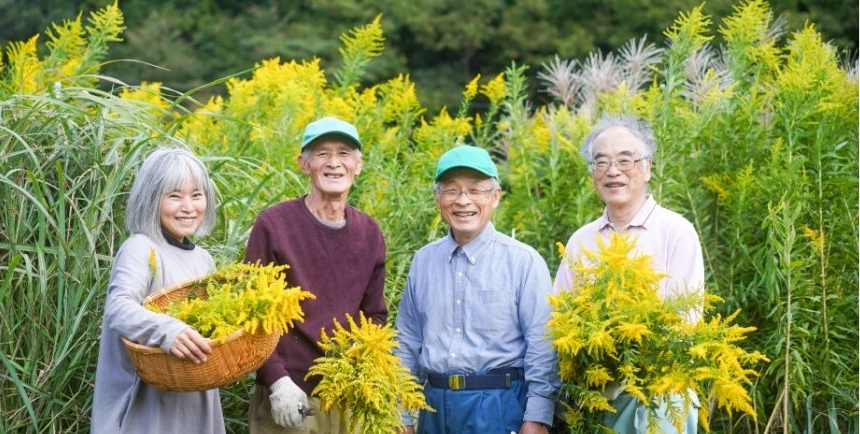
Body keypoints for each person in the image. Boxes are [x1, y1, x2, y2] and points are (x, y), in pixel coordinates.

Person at [553, 113, 705, 433]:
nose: (613, 171)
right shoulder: (580, 242)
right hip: (596, 399)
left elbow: (684, 323)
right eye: (601, 162)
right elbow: (560, 319)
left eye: (625, 160)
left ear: (647, 168)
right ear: (593, 173)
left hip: (662, 398)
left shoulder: (676, 231)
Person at [395, 145, 559, 434]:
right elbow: (407, 341)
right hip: (434, 407)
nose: (463, 200)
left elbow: (542, 345)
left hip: (499, 406)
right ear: (437, 198)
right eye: (451, 190)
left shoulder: (523, 261)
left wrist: (537, 417)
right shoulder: (423, 261)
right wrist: (401, 414)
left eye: (475, 190)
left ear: (495, 197)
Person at [245, 116, 388, 433]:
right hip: (289, 397)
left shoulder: (370, 233)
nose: (334, 163)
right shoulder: (274, 225)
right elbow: (253, 315)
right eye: (322, 153)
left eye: (344, 153)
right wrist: (277, 380)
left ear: (358, 165)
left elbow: (375, 315)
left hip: (348, 394)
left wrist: (361, 361)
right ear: (304, 164)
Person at [92, 147, 223, 433]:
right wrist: (169, 331)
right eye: (174, 196)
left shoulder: (204, 260)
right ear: (151, 199)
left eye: (196, 195)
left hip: (194, 411)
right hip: (144, 417)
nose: (188, 207)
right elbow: (118, 308)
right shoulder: (141, 248)